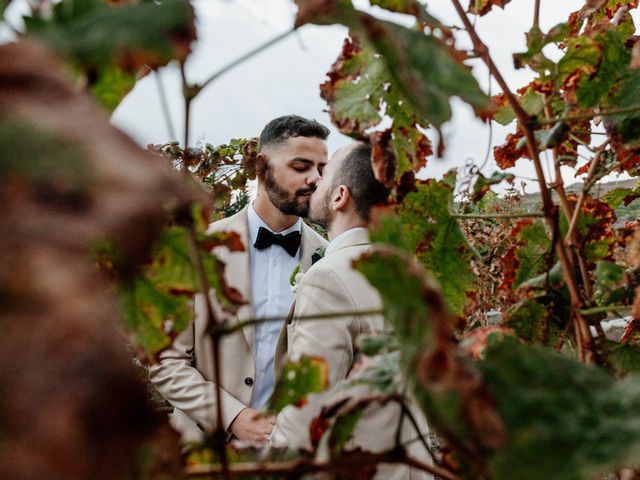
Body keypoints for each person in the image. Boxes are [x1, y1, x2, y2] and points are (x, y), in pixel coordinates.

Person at [149, 115, 329, 443]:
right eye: (302, 166)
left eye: (322, 169)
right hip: (205, 453)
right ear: (261, 167)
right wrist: (232, 416)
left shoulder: (328, 260)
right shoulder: (198, 249)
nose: (316, 179)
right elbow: (165, 362)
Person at [271, 141, 432, 479]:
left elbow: (305, 412)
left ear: (340, 196)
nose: (315, 179)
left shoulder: (328, 278)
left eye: (325, 171)